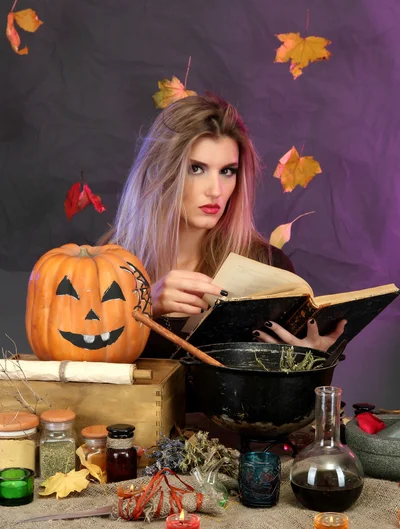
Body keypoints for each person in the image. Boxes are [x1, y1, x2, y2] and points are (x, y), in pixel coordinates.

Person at [100, 94, 346, 358]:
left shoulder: (267, 265)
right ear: (160, 171)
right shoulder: (106, 264)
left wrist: (309, 361)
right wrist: (143, 306)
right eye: (196, 169)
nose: (216, 191)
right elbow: (86, 373)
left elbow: (281, 393)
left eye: (227, 171)